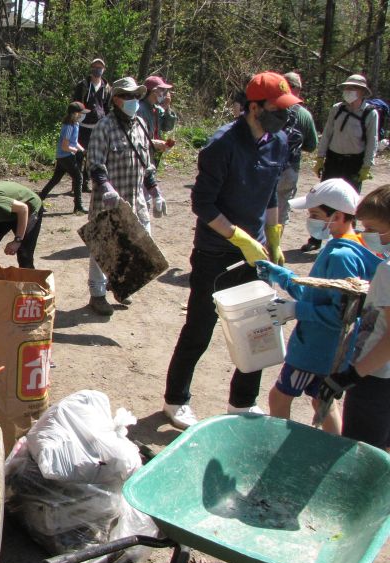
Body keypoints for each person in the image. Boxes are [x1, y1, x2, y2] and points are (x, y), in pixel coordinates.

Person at [162, 72, 296, 429]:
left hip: (257, 253)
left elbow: (271, 194)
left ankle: (243, 401)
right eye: (277, 109)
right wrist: (240, 239)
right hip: (216, 253)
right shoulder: (221, 145)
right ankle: (175, 400)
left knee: (259, 327)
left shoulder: (278, 141)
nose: (284, 116)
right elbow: (202, 204)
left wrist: (273, 238)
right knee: (200, 327)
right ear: (254, 108)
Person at [256, 179, 381, 434]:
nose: (310, 220)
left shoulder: (341, 256)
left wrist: (295, 310)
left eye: (315, 215)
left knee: (279, 398)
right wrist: (284, 277)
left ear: (338, 216)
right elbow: (318, 295)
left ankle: (278, 446)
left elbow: (341, 314)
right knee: (322, 403)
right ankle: (333, 447)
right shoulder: (349, 246)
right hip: (329, 351)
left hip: (315, 350)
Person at [86, 76, 165, 317]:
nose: (133, 100)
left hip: (136, 199)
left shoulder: (141, 124)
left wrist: (155, 192)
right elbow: (95, 165)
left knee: (140, 244)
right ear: (116, 100)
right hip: (109, 201)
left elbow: (147, 164)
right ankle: (97, 294)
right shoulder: (104, 127)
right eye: (127, 96)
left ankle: (121, 284)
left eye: (135, 96)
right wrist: (106, 188)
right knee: (103, 248)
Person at [319, 185, 390, 449]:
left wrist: (351, 376)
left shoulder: (387, 271)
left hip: (375, 378)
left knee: (360, 452)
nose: (364, 235)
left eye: (371, 229)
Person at [309, 74, 380, 251]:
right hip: (333, 159)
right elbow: (327, 134)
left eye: (352, 88)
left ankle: (346, 242)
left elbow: (372, 141)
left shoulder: (370, 113)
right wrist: (320, 157)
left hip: (354, 163)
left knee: (349, 204)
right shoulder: (337, 109)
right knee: (323, 199)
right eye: (347, 88)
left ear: (362, 92)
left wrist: (367, 166)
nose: (348, 91)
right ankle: (315, 239)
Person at [276, 72, 318, 233]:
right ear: (298, 90)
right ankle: (274, 244)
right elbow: (312, 145)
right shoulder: (304, 115)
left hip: (265, 165)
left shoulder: (269, 109)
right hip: (290, 168)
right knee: (281, 212)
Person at [39, 101, 88, 214]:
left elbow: (74, 142)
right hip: (65, 156)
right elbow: (65, 146)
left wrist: (83, 150)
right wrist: (74, 150)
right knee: (78, 178)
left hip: (64, 156)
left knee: (55, 179)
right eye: (80, 113)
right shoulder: (69, 126)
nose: (82, 115)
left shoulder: (75, 124)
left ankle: (38, 200)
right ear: (74, 113)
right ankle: (78, 206)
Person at [72, 58, 112, 193]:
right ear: (91, 68)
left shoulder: (107, 87)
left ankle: (86, 182)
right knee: (78, 156)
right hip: (82, 125)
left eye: (100, 67)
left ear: (104, 70)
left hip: (98, 127)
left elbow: (107, 107)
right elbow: (75, 104)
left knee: (92, 156)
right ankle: (76, 184)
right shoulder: (82, 85)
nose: (97, 70)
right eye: (95, 67)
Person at [137, 75, 178, 166]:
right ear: (154, 91)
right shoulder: (139, 109)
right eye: (162, 90)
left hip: (154, 153)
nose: (164, 93)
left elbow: (168, 127)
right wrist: (153, 143)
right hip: (142, 153)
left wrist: (167, 107)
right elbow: (136, 136)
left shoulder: (157, 109)